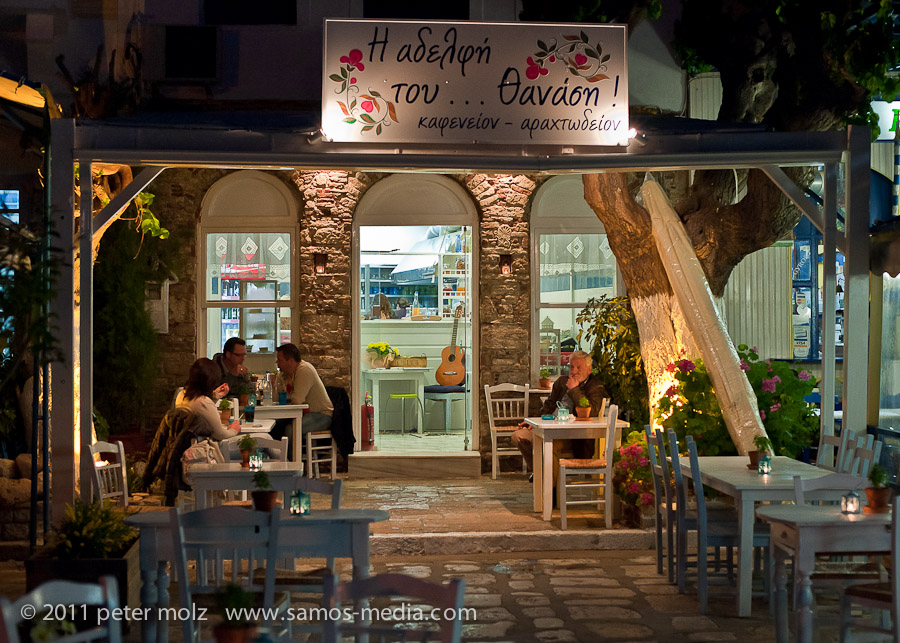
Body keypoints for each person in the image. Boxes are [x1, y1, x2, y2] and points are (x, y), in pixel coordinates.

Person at [511, 350, 607, 483]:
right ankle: (540, 471)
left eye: (579, 367)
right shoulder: (561, 382)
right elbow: (548, 406)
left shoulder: (595, 386)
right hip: (549, 428)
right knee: (519, 436)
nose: (574, 371)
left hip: (572, 435)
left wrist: (574, 389)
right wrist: (534, 423)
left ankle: (552, 492)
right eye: (572, 367)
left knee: (549, 445)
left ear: (589, 370)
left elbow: (591, 412)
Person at [272, 343, 334, 441]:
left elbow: (297, 400)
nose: (277, 362)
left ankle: (290, 456)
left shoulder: (304, 370)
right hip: (301, 414)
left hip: (321, 415)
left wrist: (288, 400)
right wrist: (277, 383)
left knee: (291, 429)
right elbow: (276, 400)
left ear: (290, 361)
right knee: (274, 425)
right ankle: (276, 455)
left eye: (280, 360)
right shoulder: (283, 375)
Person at [175, 358, 242, 440]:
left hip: (183, 447)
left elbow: (202, 413)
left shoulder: (181, 395)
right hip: (200, 449)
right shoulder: (203, 403)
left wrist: (215, 395)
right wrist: (234, 430)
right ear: (211, 381)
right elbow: (220, 434)